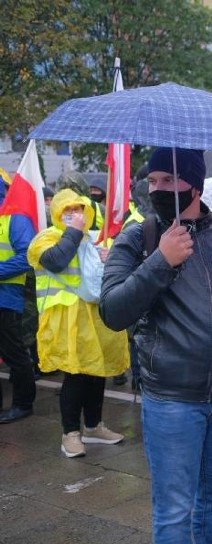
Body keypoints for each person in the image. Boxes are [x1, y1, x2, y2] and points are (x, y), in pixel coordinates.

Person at [99, 147, 212, 544]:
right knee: (175, 510)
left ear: (194, 185)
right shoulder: (138, 237)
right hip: (172, 402)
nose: (157, 188)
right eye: (153, 180)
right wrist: (161, 261)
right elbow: (112, 309)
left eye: (168, 180)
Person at [28, 189, 128, 456]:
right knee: (75, 376)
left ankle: (94, 427)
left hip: (95, 319)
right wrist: (73, 231)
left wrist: (108, 258)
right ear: (57, 212)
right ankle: (70, 434)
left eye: (79, 208)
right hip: (65, 322)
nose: (75, 214)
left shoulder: (94, 240)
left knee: (97, 373)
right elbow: (57, 261)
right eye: (67, 210)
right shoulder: (44, 239)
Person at [0, 178, 37, 424]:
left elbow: (29, 255)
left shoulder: (15, 218)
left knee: (13, 353)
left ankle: (23, 404)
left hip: (6, 298)